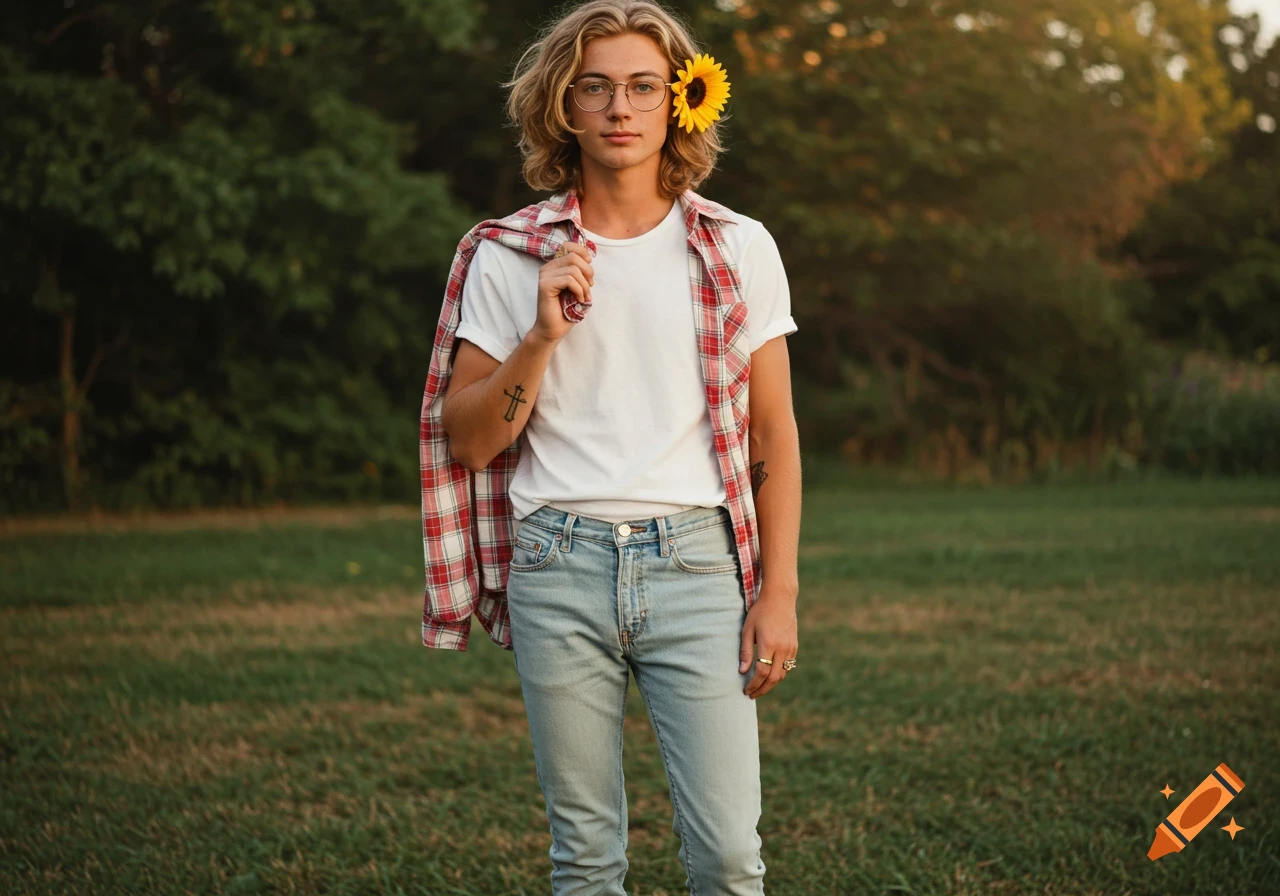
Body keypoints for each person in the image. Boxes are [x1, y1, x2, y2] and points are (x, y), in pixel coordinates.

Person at [418, 1, 802, 893]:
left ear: (681, 104)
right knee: (585, 859)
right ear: (564, 107)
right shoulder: (509, 257)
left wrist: (776, 591)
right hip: (557, 560)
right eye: (595, 88)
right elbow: (469, 440)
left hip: (698, 565)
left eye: (642, 87)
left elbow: (773, 431)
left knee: (728, 856)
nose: (619, 108)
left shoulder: (738, 248)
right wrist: (543, 334)